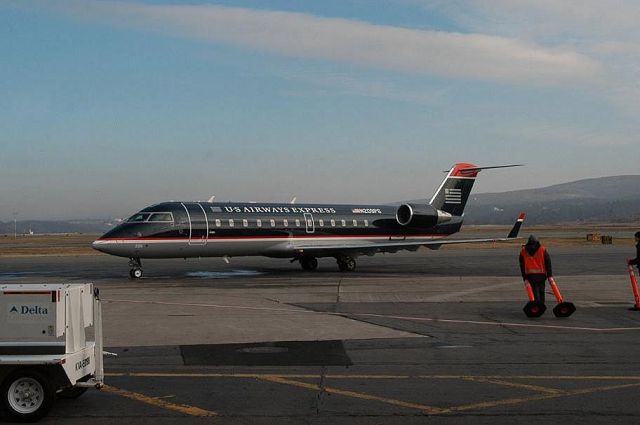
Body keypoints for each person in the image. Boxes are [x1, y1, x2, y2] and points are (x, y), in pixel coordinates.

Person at [519, 235, 553, 304]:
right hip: (541, 275)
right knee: (541, 291)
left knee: (534, 291)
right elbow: (548, 263)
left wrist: (524, 277)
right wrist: (549, 275)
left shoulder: (523, 251)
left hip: (530, 276)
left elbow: (522, 265)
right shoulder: (542, 249)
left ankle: (536, 306)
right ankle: (541, 306)